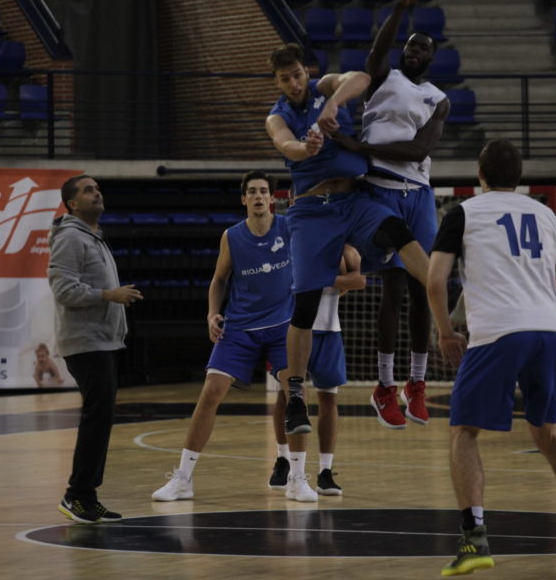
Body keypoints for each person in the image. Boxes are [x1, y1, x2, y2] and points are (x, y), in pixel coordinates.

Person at [426, 140, 556, 577]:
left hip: (499, 330)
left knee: (463, 432)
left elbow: (435, 280)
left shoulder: (465, 213)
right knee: (549, 435)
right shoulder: (548, 214)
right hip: (550, 332)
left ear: (480, 173)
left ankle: (473, 539)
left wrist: (444, 332)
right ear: (519, 176)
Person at [264, 43, 430, 439]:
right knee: (304, 305)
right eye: (285, 79)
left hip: (353, 200)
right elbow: (284, 143)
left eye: (297, 74)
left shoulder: (323, 88)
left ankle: (444, 307)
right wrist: (306, 148)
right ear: (277, 82)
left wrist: (333, 104)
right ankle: (297, 395)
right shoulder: (277, 116)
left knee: (398, 233)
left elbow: (361, 78)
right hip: (310, 211)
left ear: (307, 71)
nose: (293, 83)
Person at [331, 0, 450, 429]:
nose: (414, 52)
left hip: (417, 194)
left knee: (423, 290)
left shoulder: (438, 98)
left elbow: (420, 150)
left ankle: (417, 384)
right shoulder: (383, 77)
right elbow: (374, 54)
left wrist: (361, 148)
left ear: (432, 59)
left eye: (422, 49)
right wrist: (399, 7)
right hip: (378, 190)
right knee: (394, 291)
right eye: (410, 46)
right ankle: (384, 386)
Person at [152, 171, 294, 502]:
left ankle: (294, 471)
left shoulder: (289, 228)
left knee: (294, 392)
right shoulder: (232, 236)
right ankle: (183, 478)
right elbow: (218, 281)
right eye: (252, 192)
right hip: (240, 325)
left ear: (272, 198)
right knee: (210, 392)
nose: (259, 196)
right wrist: (211, 314)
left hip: (282, 323)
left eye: (264, 191)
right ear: (243, 199)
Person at [49, 174, 142, 524]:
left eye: (97, 188)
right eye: (88, 190)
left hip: (101, 340)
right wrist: (109, 295)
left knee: (100, 419)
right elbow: (64, 290)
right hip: (85, 342)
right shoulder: (70, 237)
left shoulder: (91, 236)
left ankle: (86, 495)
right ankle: (77, 495)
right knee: (96, 418)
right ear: (72, 203)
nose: (97, 193)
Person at [268, 245, 367, 500]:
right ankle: (283, 459)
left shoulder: (343, 246)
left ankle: (325, 471)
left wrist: (320, 278)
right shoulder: (289, 242)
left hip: (329, 330)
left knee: (328, 398)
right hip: (291, 327)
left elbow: (358, 280)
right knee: (287, 395)